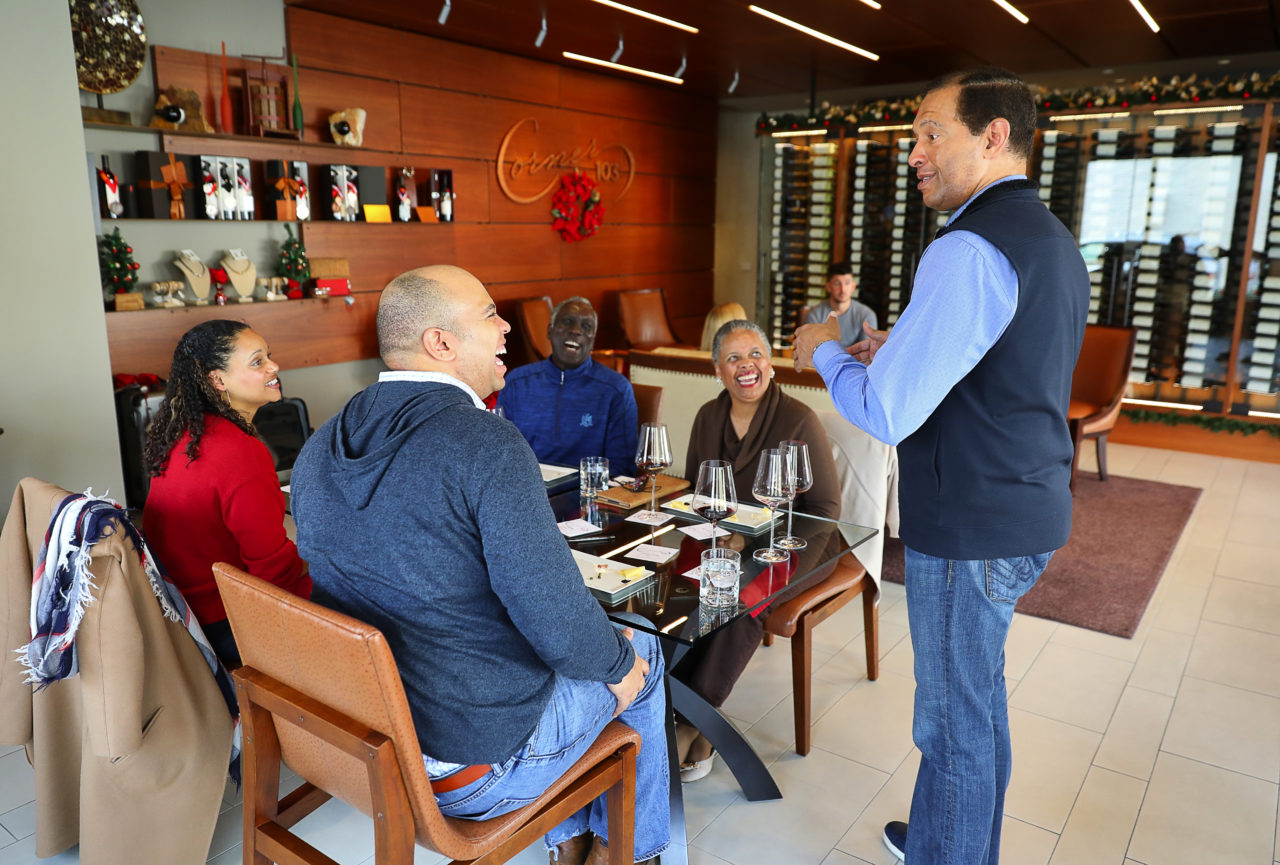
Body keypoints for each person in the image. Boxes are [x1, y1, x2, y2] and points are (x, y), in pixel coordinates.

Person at [793, 68, 1088, 864]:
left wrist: (822, 348)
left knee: (953, 726)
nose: (914, 152)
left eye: (930, 133)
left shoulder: (967, 247)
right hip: (1024, 508)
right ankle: (942, 838)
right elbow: (1008, 366)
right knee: (978, 707)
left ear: (994, 137)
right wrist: (900, 351)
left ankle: (947, 849)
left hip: (969, 526)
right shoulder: (1050, 239)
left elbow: (886, 412)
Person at [289, 266, 668, 865]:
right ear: (440, 343)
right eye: (490, 314)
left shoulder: (324, 441)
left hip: (373, 742)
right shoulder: (486, 443)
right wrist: (620, 663)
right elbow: (563, 630)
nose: (508, 327)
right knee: (641, 655)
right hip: (472, 764)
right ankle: (638, 854)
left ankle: (568, 843)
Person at [675, 318, 841, 779]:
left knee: (744, 596)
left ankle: (693, 722)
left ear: (769, 364)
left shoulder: (798, 418)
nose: (746, 366)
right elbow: (698, 492)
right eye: (733, 358)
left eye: (755, 355)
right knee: (685, 585)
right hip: (731, 540)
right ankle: (671, 701)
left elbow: (825, 507)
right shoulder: (709, 415)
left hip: (803, 541)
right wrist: (725, 537)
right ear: (717, 370)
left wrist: (752, 542)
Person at [142, 320, 311, 667]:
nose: (273, 367)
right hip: (225, 623)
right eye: (257, 361)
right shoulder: (240, 451)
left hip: (181, 613)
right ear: (217, 380)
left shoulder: (185, 435)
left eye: (269, 356)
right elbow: (273, 572)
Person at [498, 297, 639, 475]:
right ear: (550, 331)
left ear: (592, 339)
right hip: (529, 491)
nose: (575, 331)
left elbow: (623, 469)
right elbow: (501, 454)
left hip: (589, 494)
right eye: (567, 322)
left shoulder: (616, 389)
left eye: (586, 326)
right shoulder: (516, 383)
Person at [803, 261, 877, 351]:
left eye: (847, 283)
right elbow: (810, 352)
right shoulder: (814, 315)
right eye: (837, 283)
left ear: (853, 286)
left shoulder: (867, 316)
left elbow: (868, 353)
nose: (843, 289)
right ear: (828, 287)